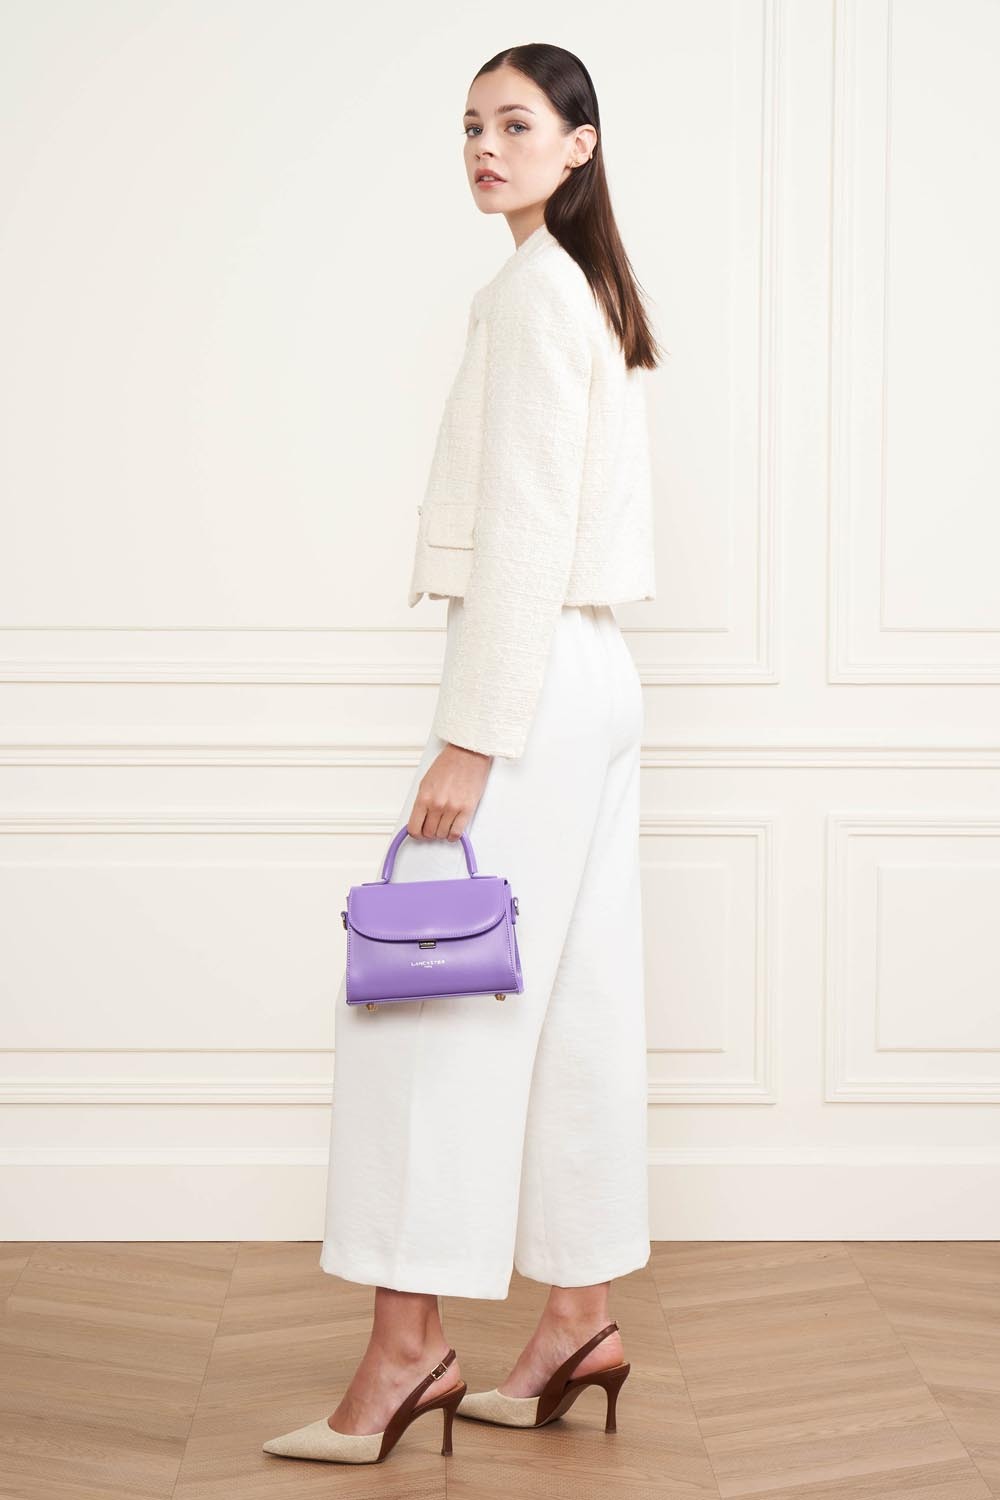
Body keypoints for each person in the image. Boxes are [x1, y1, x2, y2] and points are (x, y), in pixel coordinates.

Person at [263, 41, 662, 1468]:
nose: (486, 147)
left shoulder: (533, 293)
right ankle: (577, 1320)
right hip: (595, 675)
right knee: (575, 1004)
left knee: (426, 1005)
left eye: (516, 124)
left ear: (579, 146)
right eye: (472, 126)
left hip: (533, 680)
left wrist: (472, 739)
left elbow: (529, 533)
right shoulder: (582, 290)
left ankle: (407, 1351)